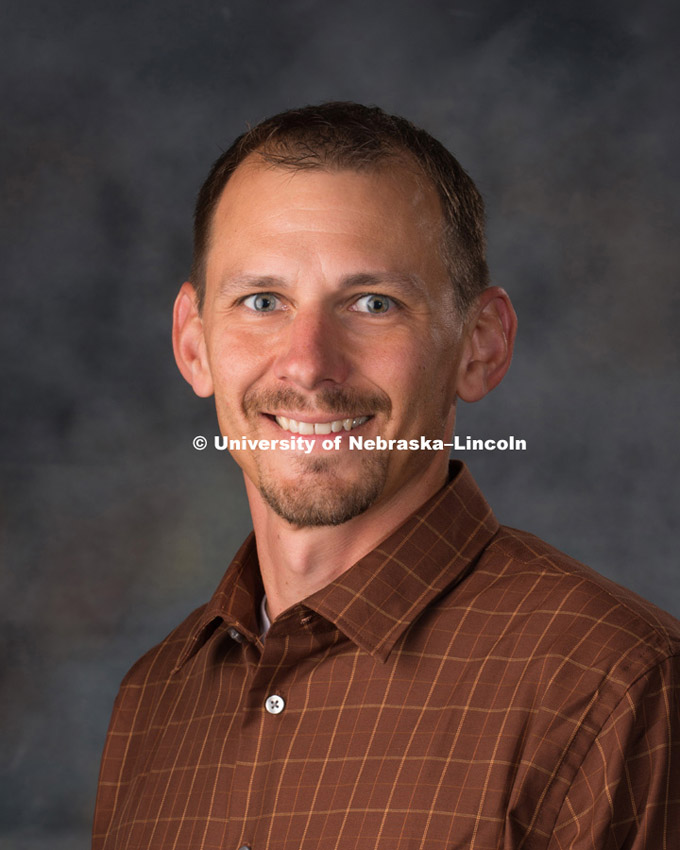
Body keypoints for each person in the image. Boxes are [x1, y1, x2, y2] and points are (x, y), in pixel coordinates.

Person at [92, 102, 680, 850]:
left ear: (481, 346)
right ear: (194, 343)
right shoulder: (155, 700)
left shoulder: (612, 685)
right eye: (262, 301)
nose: (307, 364)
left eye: (373, 303)